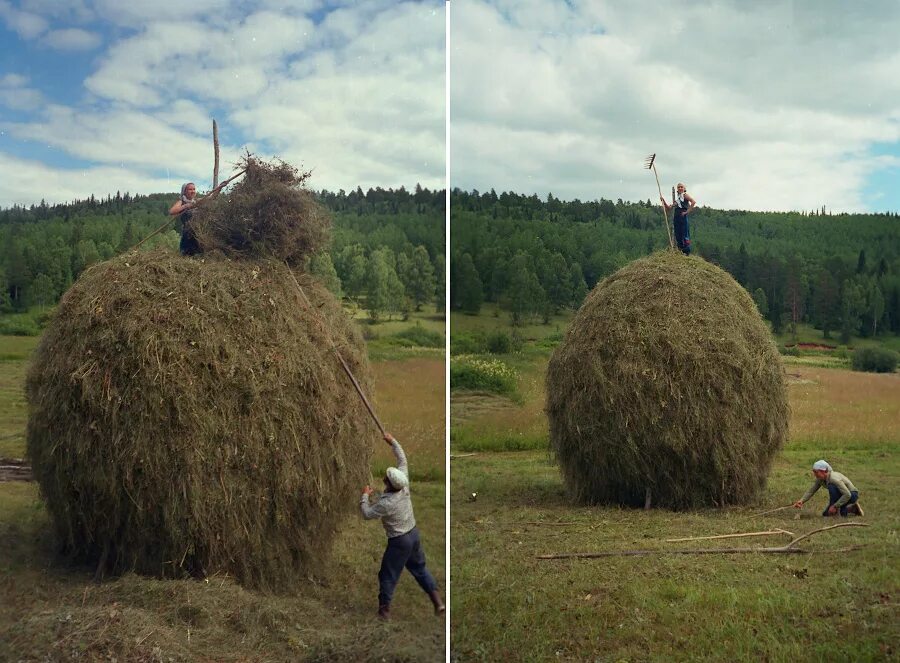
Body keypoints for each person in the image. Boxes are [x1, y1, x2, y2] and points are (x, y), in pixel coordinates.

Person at [360, 432, 444, 620]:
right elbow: (402, 458)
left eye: (386, 477)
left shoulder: (386, 503)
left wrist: (365, 495)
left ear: (388, 483)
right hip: (413, 535)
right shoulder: (403, 485)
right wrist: (392, 442)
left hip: (400, 541)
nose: (385, 476)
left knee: (388, 574)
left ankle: (384, 611)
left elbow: (366, 514)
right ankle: (438, 602)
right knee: (420, 569)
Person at [793, 460, 864, 517]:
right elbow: (811, 491)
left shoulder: (833, 479)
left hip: (852, 495)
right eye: (813, 472)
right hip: (842, 495)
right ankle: (853, 509)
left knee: (832, 488)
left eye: (816, 472)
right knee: (826, 514)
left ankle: (840, 510)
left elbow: (847, 494)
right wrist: (801, 501)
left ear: (824, 471)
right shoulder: (820, 479)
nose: (814, 474)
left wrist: (835, 506)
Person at [660, 183, 697, 255]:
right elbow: (669, 208)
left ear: (684, 188)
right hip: (676, 217)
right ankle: (680, 250)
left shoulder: (685, 195)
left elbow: (693, 202)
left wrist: (687, 212)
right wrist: (663, 201)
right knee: (678, 234)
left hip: (682, 217)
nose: (680, 188)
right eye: (678, 187)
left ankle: (686, 251)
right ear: (677, 189)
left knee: (684, 233)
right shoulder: (678, 200)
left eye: (681, 187)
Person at [169, 182, 201, 256]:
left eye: (194, 189)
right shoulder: (182, 202)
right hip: (188, 235)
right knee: (187, 256)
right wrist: (186, 206)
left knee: (199, 257)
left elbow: (212, 198)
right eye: (190, 189)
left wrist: (220, 187)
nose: (193, 191)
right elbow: (172, 211)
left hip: (198, 234)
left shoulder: (197, 201)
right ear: (185, 191)